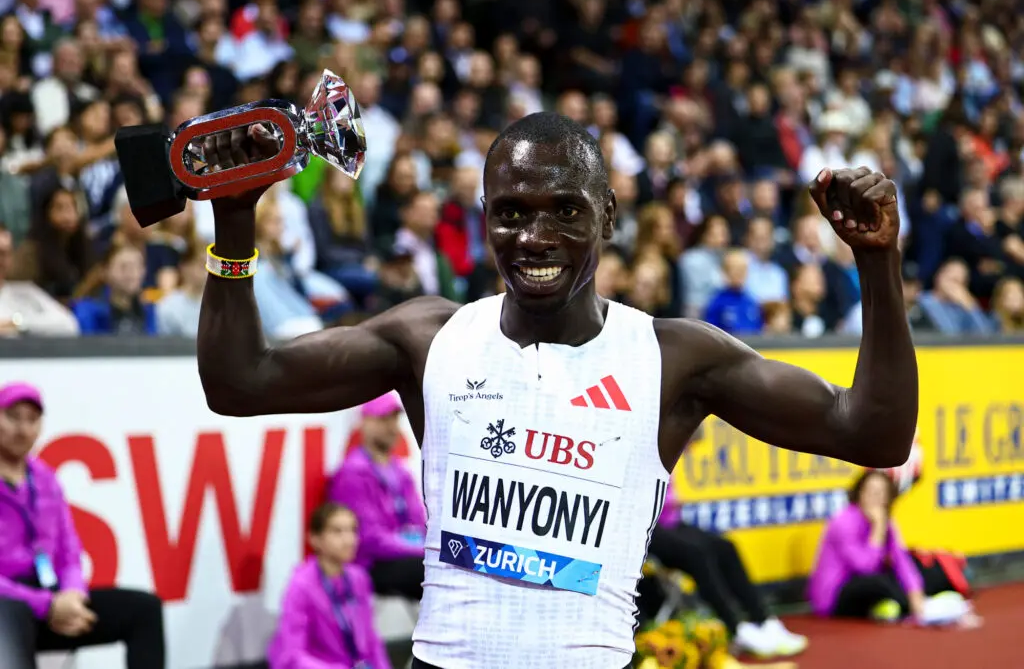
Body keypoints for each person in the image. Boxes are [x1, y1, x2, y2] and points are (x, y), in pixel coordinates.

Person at [196, 112, 918, 668]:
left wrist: (878, 263)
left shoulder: (672, 356)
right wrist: (232, 222)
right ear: (485, 218)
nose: (534, 236)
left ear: (609, 215)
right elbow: (239, 383)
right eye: (511, 212)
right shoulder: (429, 338)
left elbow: (874, 434)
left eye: (565, 210)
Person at [0, 382, 166, 669]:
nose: (23, 430)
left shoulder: (45, 478)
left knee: (144, 610)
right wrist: (45, 604)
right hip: (10, 602)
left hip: (54, 599)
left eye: (32, 420)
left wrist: (73, 594)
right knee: (9, 619)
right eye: (13, 417)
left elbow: (69, 551)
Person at [650, 475, 806, 658]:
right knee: (697, 554)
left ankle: (763, 620)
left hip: (671, 522)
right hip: (648, 530)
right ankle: (735, 628)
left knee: (726, 547)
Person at [808, 470, 978, 627]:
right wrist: (878, 529)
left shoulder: (887, 522)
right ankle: (912, 607)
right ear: (859, 493)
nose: (875, 497)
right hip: (835, 595)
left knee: (918, 569)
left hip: (869, 582)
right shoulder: (843, 522)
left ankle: (912, 606)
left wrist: (915, 594)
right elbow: (865, 568)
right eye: (871, 491)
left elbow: (902, 561)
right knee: (877, 583)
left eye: (881, 492)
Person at [267, 502, 391, 669]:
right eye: (337, 531)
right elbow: (292, 656)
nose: (349, 540)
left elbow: (370, 639)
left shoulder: (359, 578)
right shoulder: (301, 586)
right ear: (315, 539)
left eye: (353, 530)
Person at [329, 392, 427, 600]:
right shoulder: (353, 475)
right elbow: (369, 540)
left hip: (405, 556)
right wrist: (422, 549)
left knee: (448, 565)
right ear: (365, 423)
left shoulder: (401, 472)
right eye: (383, 419)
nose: (391, 427)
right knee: (433, 570)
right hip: (370, 564)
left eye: (394, 419)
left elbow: (420, 522)